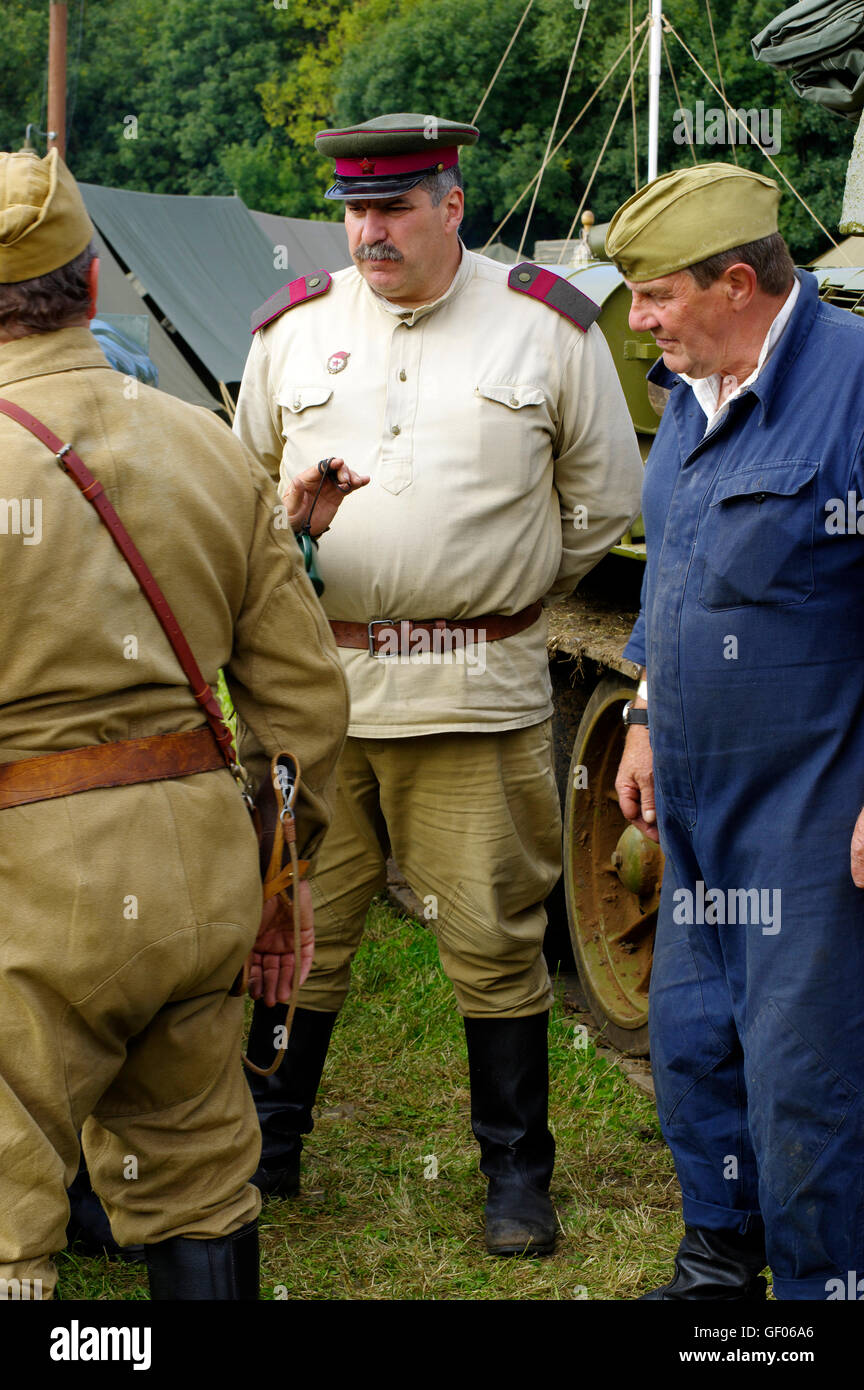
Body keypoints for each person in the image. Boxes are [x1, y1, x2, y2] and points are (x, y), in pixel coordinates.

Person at [233, 111, 643, 1256]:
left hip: (473, 684)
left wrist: (488, 593)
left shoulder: (545, 328)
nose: (370, 229)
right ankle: (270, 1147)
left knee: (494, 935)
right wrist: (295, 524)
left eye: (395, 206)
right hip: (320, 693)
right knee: (294, 921)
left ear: (451, 205)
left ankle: (516, 1175)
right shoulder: (295, 329)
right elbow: (243, 507)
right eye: (356, 209)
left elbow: (601, 506)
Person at [0, 147, 349, 1300]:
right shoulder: (208, 445)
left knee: (9, 1207)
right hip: (198, 873)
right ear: (91, 285)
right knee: (198, 1174)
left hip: (26, 893)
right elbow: (302, 701)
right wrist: (280, 868)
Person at [608, 162, 864, 1302]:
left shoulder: (855, 388)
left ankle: (825, 1288)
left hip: (811, 802)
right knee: (696, 1039)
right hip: (698, 799)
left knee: (809, 1075)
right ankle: (719, 1260)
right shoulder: (688, 389)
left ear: (740, 281)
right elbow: (674, 565)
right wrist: (647, 713)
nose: (638, 321)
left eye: (657, 295)